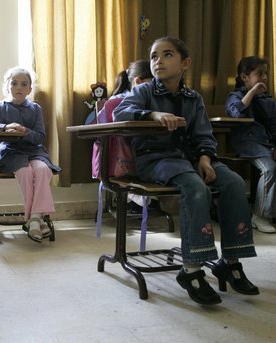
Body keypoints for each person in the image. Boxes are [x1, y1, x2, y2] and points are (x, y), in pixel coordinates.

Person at [113, 36, 259, 305]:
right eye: (154, 56)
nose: (158, 61)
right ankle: (191, 269)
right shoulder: (144, 92)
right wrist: (153, 115)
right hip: (156, 159)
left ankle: (231, 261)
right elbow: (119, 113)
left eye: (167, 55)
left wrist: (205, 159)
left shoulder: (194, 99)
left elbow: (204, 136)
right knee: (195, 186)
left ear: (185, 63)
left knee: (234, 182)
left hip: (191, 159)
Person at [0, 66, 61, 243]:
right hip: (11, 153)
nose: (19, 88)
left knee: (43, 170)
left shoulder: (35, 108)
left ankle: (34, 219)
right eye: (14, 83)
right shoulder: (0, 106)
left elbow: (40, 136)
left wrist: (25, 132)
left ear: (30, 89)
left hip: (34, 152)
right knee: (25, 172)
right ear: (7, 87)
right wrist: (6, 127)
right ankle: (36, 220)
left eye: (24, 84)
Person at [101, 60, 160, 215]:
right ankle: (138, 201)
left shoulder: (156, 101)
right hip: (120, 159)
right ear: (138, 82)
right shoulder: (117, 103)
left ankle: (142, 202)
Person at [225, 56, 276, 233]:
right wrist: (252, 92)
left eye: (265, 74)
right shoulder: (235, 95)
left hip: (266, 144)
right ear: (244, 77)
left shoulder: (268, 100)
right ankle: (260, 216)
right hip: (248, 144)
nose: (263, 78)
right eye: (259, 74)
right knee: (269, 169)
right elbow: (236, 113)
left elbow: (274, 126)